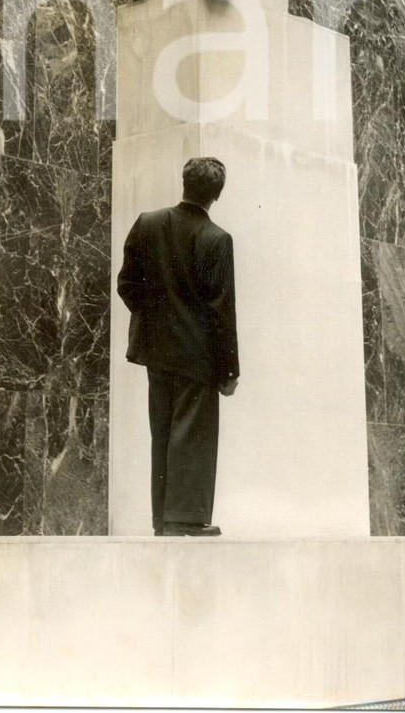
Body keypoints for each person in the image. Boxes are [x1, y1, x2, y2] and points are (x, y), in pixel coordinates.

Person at [116, 157, 239, 538]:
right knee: (193, 436)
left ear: (183, 182)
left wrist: (154, 320)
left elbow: (127, 285)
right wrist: (229, 370)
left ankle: (163, 519)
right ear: (217, 195)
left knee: (163, 432)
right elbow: (222, 310)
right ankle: (183, 520)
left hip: (156, 352)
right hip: (198, 355)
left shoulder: (147, 223)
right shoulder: (216, 239)